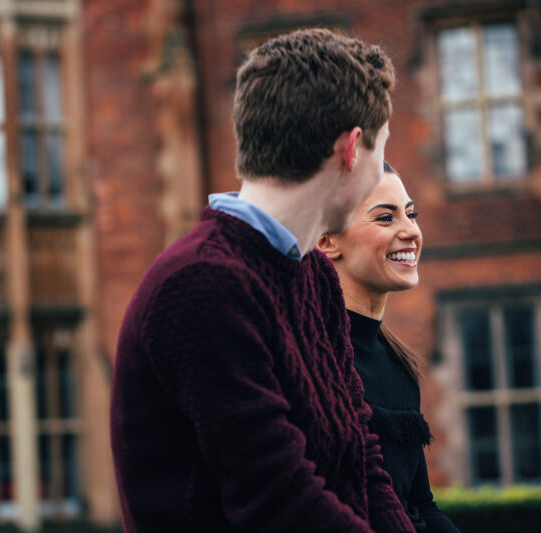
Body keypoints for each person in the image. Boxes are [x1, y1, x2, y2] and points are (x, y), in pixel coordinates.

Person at [111, 28, 415, 532]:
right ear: (352, 149)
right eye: (381, 150)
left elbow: (363, 462)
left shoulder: (314, 275)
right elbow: (278, 500)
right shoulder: (199, 285)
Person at [318, 163, 460, 532]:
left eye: (410, 214)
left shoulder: (397, 362)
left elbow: (420, 505)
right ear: (326, 241)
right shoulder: (313, 361)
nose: (411, 231)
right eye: (385, 218)